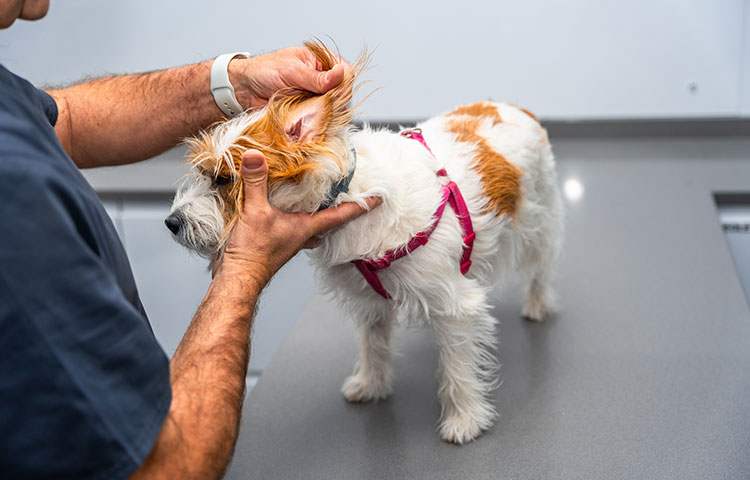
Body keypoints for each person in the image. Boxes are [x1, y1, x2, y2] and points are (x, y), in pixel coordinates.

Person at [0, 1, 379, 478]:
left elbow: (66, 118)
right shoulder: (9, 189)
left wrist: (232, 81)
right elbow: (172, 467)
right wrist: (243, 267)